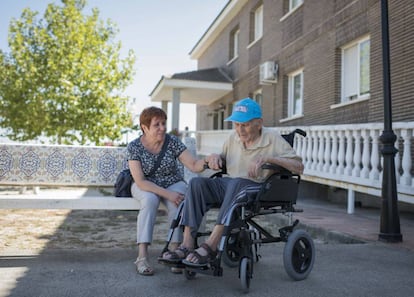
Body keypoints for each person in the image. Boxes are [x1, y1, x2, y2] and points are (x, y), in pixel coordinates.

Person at [161, 97, 304, 267]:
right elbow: (222, 159)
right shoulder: (233, 138)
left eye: (245, 124)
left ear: (259, 123)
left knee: (237, 184)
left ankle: (211, 246)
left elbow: (298, 166)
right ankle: (187, 244)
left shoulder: (272, 138)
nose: (240, 130)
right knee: (196, 184)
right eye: (236, 124)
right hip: (231, 184)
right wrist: (214, 157)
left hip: (258, 187)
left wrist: (270, 158)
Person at [127, 106, 206, 275]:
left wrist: (207, 161)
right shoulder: (134, 147)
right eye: (157, 125)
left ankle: (175, 252)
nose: (162, 128)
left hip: (172, 181)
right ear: (145, 127)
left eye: (164, 123)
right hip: (145, 185)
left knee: (179, 200)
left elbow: (193, 164)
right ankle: (142, 257)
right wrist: (168, 194)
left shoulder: (172, 142)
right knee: (150, 200)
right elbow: (140, 181)